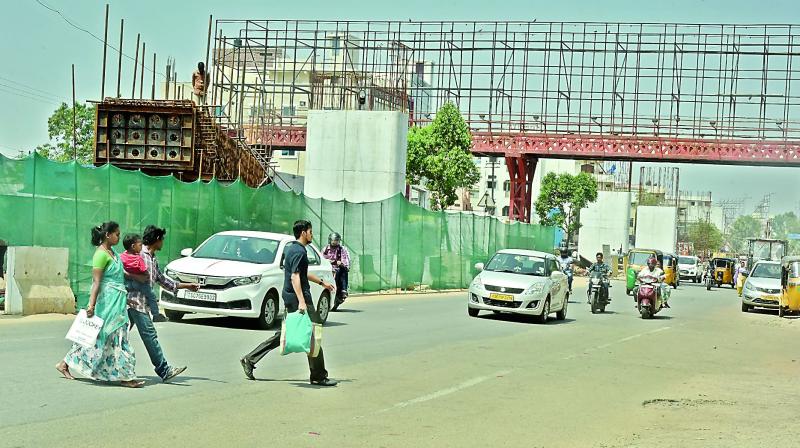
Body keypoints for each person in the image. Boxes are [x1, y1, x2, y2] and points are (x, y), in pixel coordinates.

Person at [240, 220, 338, 386]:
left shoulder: (293, 249)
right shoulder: (299, 252)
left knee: (286, 333)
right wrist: (301, 301)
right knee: (312, 334)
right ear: (303, 233)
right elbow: (294, 277)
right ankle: (319, 376)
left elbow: (302, 274)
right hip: (299, 299)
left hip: (292, 297)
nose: (312, 235)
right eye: (310, 231)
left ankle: (250, 359)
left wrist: (322, 283)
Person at [56, 222, 144, 388]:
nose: (119, 237)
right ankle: (126, 377)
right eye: (116, 234)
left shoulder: (113, 253)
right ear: (107, 235)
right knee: (106, 336)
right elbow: (96, 282)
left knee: (111, 337)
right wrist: (91, 305)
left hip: (118, 301)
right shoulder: (100, 255)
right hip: (107, 303)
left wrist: (132, 280)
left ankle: (65, 363)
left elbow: (118, 274)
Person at [125, 225, 198, 382]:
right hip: (135, 302)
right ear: (157, 240)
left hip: (139, 303)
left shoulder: (151, 258)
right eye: (162, 239)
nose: (163, 242)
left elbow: (161, 279)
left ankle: (79, 360)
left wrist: (186, 285)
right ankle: (164, 370)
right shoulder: (140, 256)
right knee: (149, 336)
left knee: (117, 335)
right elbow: (125, 275)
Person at [120, 234, 164, 322]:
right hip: (140, 284)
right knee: (151, 296)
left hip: (129, 284)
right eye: (140, 245)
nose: (141, 247)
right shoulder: (138, 258)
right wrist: (146, 275)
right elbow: (144, 269)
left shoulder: (122, 256)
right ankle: (156, 314)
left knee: (128, 323)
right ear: (133, 246)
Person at [322, 232, 350, 310]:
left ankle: (344, 290)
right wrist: (331, 261)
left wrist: (343, 264)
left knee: (343, 271)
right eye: (333, 240)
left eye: (336, 240)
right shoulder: (325, 249)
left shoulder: (342, 249)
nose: (334, 242)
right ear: (330, 240)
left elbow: (346, 259)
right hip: (328, 269)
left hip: (338, 269)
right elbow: (322, 258)